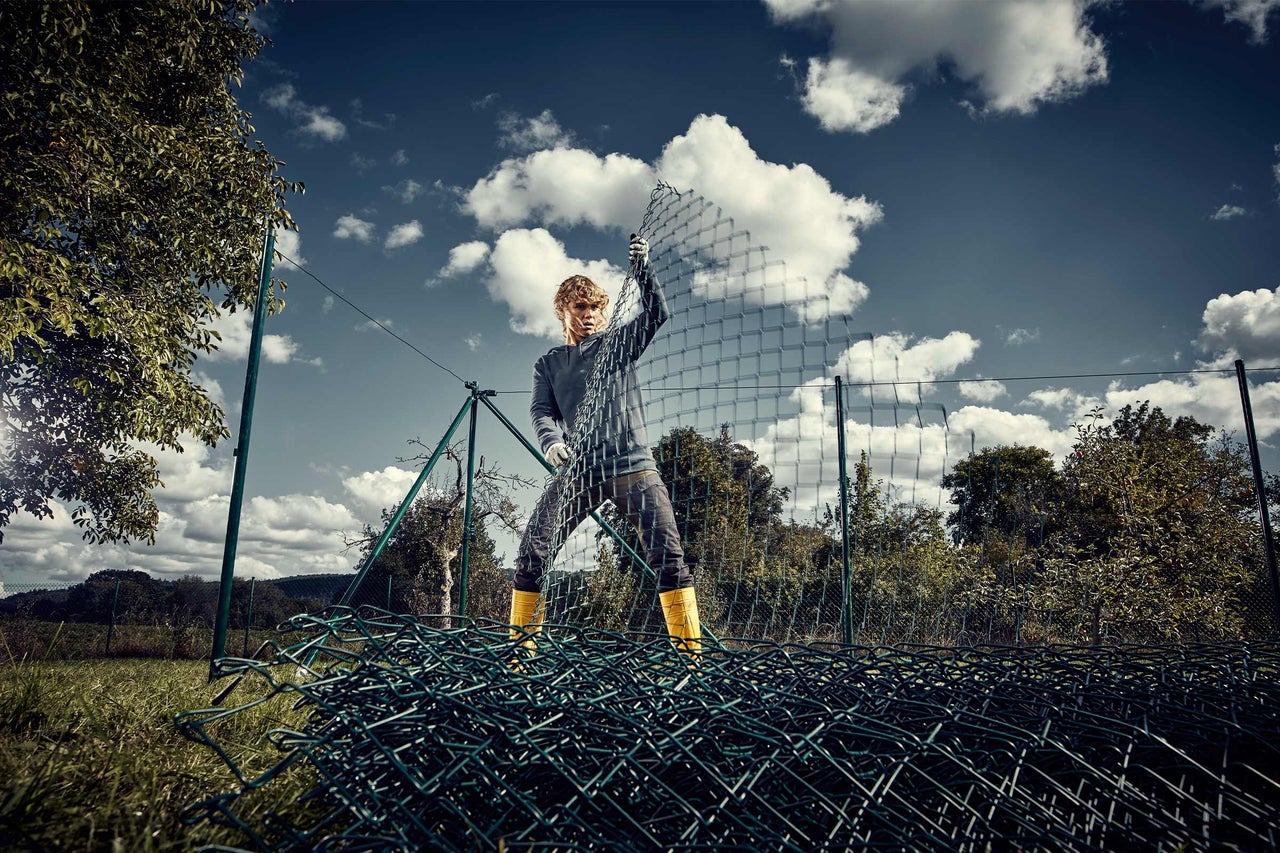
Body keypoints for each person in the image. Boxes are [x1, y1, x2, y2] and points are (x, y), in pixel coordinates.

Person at [508, 234, 701, 658]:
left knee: (669, 559)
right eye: (581, 307)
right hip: (580, 471)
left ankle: (692, 662)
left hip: (634, 468)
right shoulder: (549, 364)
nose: (591, 315)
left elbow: (657, 314)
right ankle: (520, 658)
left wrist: (643, 270)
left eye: (597, 307)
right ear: (564, 310)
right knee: (532, 554)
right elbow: (542, 412)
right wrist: (551, 443)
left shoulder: (616, 345)